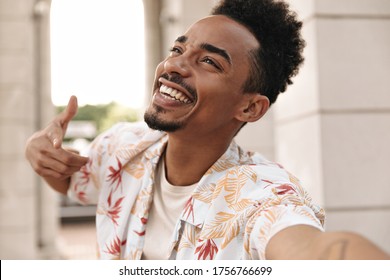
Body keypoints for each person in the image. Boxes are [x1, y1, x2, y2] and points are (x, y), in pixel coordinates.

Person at [25, 0, 389, 260]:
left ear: (249, 107)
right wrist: (41, 154)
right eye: (178, 48)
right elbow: (75, 181)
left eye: (209, 62)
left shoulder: (263, 197)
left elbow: (315, 251)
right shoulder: (124, 144)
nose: (174, 66)